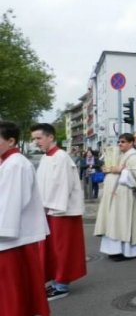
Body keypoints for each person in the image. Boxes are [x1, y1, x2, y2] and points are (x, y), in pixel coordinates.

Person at [0, 121, 50, 316]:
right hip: (14, 237)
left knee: (12, 288)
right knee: (18, 285)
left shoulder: (14, 165)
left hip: (10, 237)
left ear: (10, 140)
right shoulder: (10, 163)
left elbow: (9, 204)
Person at [30, 123, 87, 300]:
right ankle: (55, 281)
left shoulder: (61, 158)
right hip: (49, 210)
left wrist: (51, 206)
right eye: (34, 139)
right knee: (51, 249)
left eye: (38, 138)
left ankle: (62, 284)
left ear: (50, 137)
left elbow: (63, 185)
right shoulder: (47, 157)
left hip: (61, 211)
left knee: (62, 249)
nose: (36, 142)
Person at [94, 133, 136, 260]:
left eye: (123, 142)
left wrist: (120, 170)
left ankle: (127, 251)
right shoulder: (121, 155)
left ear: (131, 143)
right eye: (119, 142)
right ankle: (115, 250)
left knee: (123, 222)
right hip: (116, 196)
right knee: (114, 222)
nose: (120, 144)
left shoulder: (135, 156)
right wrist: (108, 168)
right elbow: (115, 169)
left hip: (127, 196)